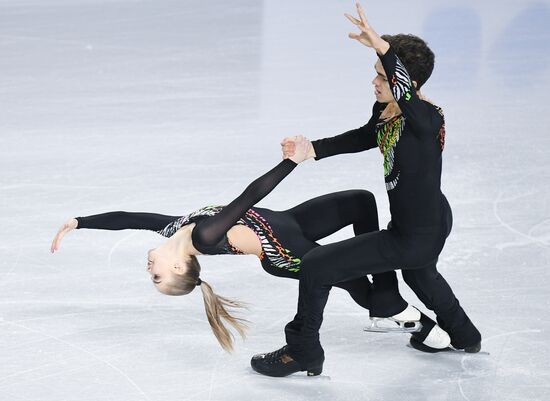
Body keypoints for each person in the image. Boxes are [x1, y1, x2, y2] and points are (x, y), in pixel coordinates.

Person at [250, 2, 482, 377]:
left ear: (407, 82)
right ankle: (465, 335)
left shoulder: (424, 117)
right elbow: (365, 136)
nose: (374, 82)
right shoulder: (387, 111)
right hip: (427, 219)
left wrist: (385, 49)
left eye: (382, 76)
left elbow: (404, 91)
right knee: (420, 275)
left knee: (316, 266)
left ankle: (302, 351)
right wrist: (313, 150)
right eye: (374, 73)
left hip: (414, 233)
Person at [51, 139, 449, 353]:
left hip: (292, 221)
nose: (148, 270)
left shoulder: (176, 229)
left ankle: (388, 298)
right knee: (354, 283)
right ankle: (411, 319)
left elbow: (129, 218)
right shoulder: (205, 239)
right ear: (177, 269)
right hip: (288, 254)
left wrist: (80, 222)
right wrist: (293, 161)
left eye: (150, 275)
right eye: (155, 277)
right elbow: (249, 196)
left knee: (361, 200)